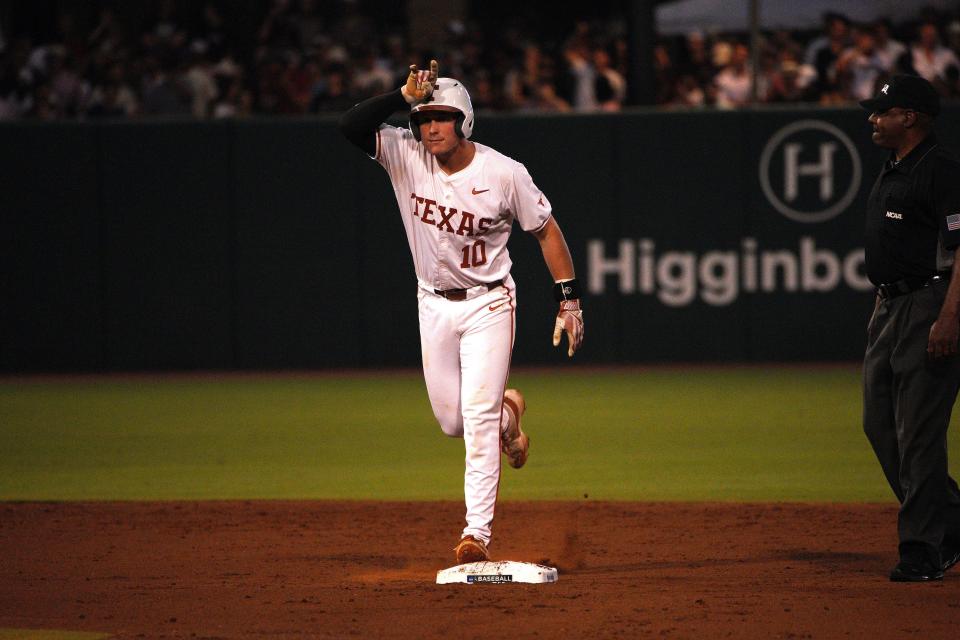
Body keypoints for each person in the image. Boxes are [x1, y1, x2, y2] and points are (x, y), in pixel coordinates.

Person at [338, 60, 584, 564]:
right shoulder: (406, 155)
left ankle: (476, 535)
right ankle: (509, 415)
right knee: (453, 421)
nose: (430, 127)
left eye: (441, 117)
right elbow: (350, 126)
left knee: (474, 420)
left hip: (490, 302)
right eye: (423, 118)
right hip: (433, 302)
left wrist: (569, 300)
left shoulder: (503, 172)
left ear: (464, 120)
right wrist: (400, 98)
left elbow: (546, 231)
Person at [860, 73, 960, 582]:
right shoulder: (893, 166)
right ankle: (951, 522)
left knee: (919, 432)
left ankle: (924, 549)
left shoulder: (941, 170)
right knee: (879, 422)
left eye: (883, 112)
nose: (874, 120)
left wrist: (950, 316)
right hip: (892, 307)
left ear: (911, 117)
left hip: (932, 303)